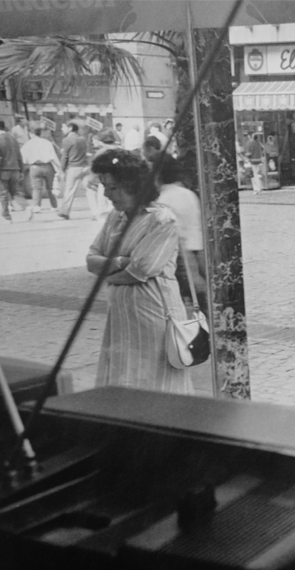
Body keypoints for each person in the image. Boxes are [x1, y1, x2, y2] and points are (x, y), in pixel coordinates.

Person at [85, 148, 192, 394]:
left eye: (113, 187)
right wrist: (122, 261)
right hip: (121, 317)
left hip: (153, 314)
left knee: (156, 382)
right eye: (104, 187)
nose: (107, 194)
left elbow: (139, 271)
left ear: (133, 185)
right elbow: (91, 259)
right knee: (125, 378)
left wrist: (109, 270)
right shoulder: (115, 217)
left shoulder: (161, 219)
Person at [155, 153, 206, 309]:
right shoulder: (189, 194)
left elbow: (176, 237)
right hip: (199, 253)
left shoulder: (162, 200)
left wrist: (193, 273)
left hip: (181, 259)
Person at [58, 121, 100, 220]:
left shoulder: (67, 140)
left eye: (64, 127)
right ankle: (96, 213)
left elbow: (65, 157)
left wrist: (62, 170)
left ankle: (65, 212)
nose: (62, 129)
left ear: (70, 128)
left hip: (74, 167)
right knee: (90, 190)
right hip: (85, 167)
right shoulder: (82, 139)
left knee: (69, 191)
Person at [20, 125, 60, 220]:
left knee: (36, 188)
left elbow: (23, 158)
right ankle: (54, 206)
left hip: (34, 167)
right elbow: (53, 157)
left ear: (31, 133)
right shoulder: (47, 143)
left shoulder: (27, 144)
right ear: (40, 133)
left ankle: (37, 206)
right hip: (48, 166)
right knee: (50, 187)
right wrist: (59, 168)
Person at [0, 120, 26, 221]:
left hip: (3, 170)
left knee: (3, 193)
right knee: (16, 192)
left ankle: (6, 215)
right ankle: (27, 207)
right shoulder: (12, 138)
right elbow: (19, 155)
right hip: (15, 170)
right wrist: (21, 170)